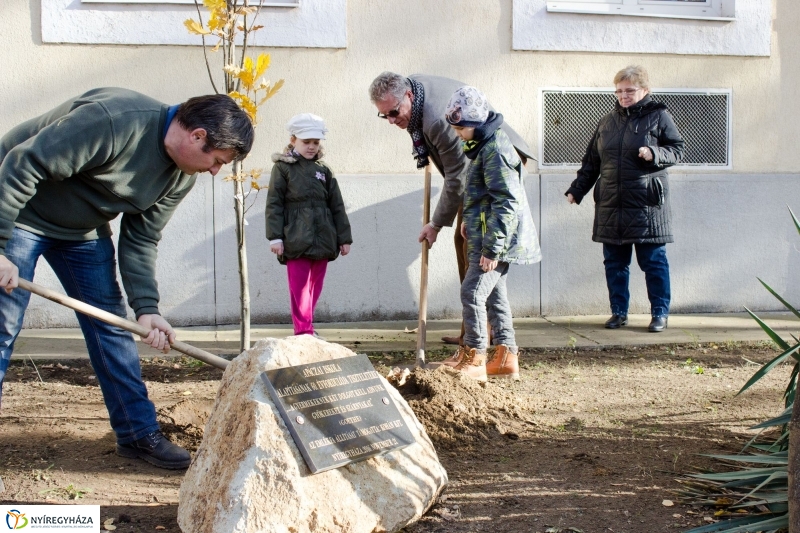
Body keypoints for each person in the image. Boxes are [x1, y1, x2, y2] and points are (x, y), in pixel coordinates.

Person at [0, 87, 254, 469]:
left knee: (112, 327)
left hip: (82, 231)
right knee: (3, 325)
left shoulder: (180, 176)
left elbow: (141, 239)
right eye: (217, 160)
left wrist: (147, 309)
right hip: (18, 210)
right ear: (197, 135)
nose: (216, 171)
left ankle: (137, 434)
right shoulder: (115, 122)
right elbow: (24, 163)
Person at [369, 72, 534, 346]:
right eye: (384, 115)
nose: (391, 120)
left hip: (494, 174)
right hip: (474, 175)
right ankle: (478, 331)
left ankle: (477, 339)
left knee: (476, 251)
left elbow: (458, 177)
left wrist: (435, 224)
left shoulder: (437, 120)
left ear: (408, 96)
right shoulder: (413, 91)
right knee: (465, 243)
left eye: (394, 112)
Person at [565, 65, 684, 332]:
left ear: (645, 90)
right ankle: (618, 312)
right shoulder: (607, 121)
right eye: (619, 91)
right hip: (611, 204)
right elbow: (592, 162)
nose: (623, 96)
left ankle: (659, 313)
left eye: (629, 90)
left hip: (646, 206)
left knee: (653, 262)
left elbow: (677, 149)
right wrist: (577, 189)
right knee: (615, 263)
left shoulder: (659, 116)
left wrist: (655, 153)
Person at [441, 86, 541, 382]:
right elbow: (484, 194)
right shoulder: (484, 145)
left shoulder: (495, 150)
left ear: (476, 122)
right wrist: (468, 221)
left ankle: (474, 357)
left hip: (496, 241)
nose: (458, 134)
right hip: (485, 234)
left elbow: (506, 201)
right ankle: (506, 359)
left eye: (461, 128)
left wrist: (492, 249)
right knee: (495, 297)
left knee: (471, 292)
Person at [265, 113, 352, 337]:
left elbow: (337, 205)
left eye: (316, 142)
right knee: (300, 287)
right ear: (293, 140)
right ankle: (303, 331)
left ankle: (307, 327)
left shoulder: (324, 169)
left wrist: (344, 238)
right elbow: (274, 203)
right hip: (296, 237)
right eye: (306, 142)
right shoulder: (282, 168)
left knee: (315, 285)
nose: (312, 146)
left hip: (324, 236)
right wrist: (275, 237)